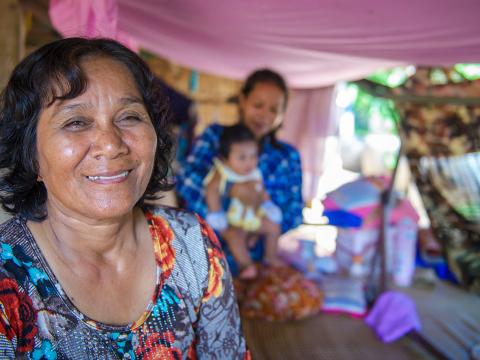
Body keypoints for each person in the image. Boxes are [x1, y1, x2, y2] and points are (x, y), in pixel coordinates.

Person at [0, 38, 249, 359]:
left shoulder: (192, 244)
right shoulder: (9, 282)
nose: (111, 144)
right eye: (76, 122)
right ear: (31, 155)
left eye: (129, 116)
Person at [176, 69, 303, 274]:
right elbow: (186, 180)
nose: (264, 115)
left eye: (274, 109)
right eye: (258, 105)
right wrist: (231, 193)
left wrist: (256, 228)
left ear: (283, 113)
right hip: (209, 254)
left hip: (260, 257)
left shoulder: (288, 157)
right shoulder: (215, 136)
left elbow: (294, 213)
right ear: (243, 101)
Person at [204, 124, 283, 279]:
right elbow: (211, 190)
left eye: (253, 156)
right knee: (235, 237)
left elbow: (261, 190)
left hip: (254, 217)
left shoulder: (255, 172)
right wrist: (216, 212)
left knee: (274, 227)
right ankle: (246, 265)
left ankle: (270, 256)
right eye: (242, 157)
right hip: (235, 221)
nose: (249, 162)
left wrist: (268, 204)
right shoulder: (223, 172)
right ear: (227, 157)